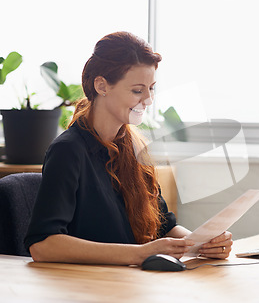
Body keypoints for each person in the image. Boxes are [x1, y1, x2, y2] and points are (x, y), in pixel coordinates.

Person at [25, 31, 232, 265]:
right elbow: (43, 246)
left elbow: (165, 227)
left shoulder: (135, 147)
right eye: (137, 90)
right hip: (88, 289)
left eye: (151, 88)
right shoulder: (68, 151)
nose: (148, 99)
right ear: (102, 85)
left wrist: (202, 244)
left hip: (131, 284)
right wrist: (138, 253)